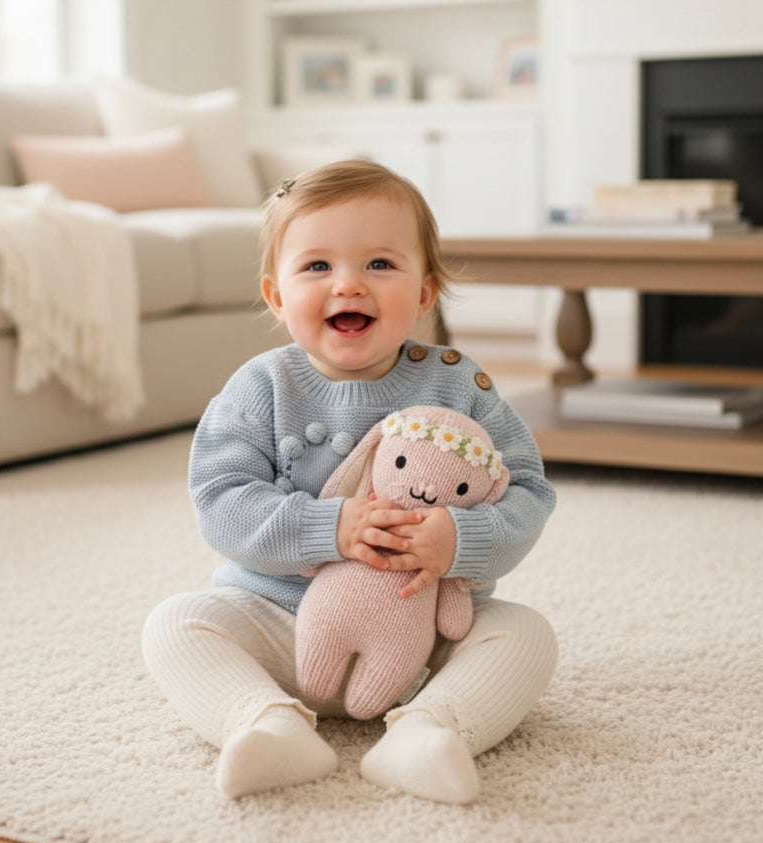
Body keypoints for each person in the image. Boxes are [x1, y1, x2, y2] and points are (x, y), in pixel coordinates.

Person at [142, 160, 558, 805]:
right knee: (177, 623)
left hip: (422, 637)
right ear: (276, 296)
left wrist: (461, 540)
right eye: (317, 267)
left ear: (425, 293)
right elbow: (220, 500)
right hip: (281, 619)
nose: (349, 286)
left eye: (381, 265)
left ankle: (427, 731)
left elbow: (528, 490)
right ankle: (264, 723)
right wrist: (326, 527)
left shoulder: (458, 386)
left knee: (525, 635)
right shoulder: (261, 387)